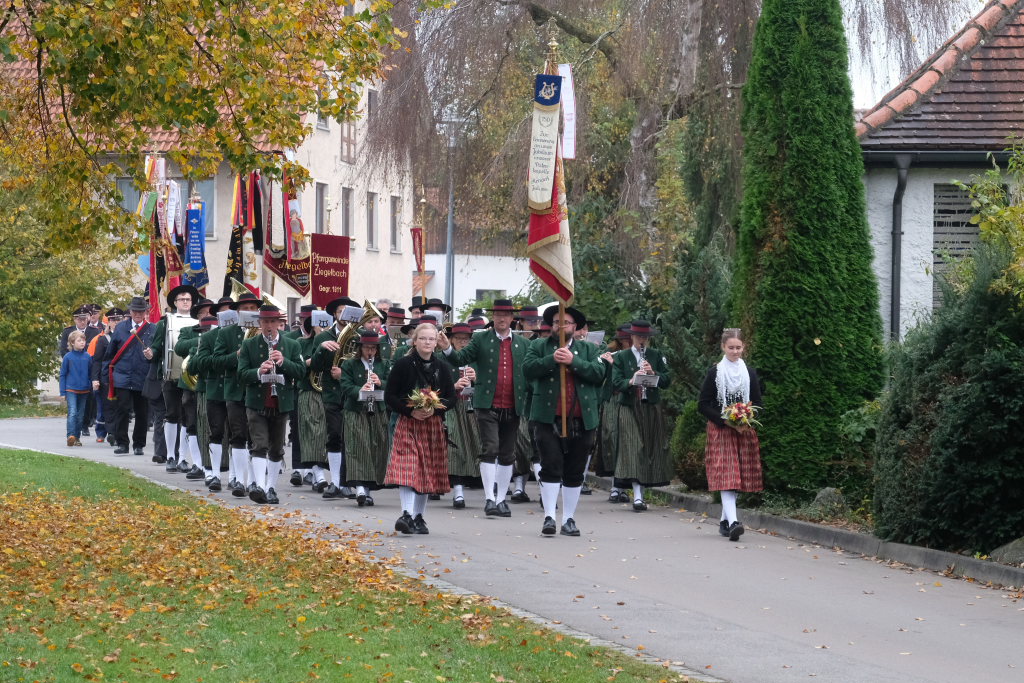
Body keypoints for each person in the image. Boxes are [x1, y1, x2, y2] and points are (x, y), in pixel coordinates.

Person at [437, 299, 531, 518]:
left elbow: (529, 372)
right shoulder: (481, 339)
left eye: (505, 315)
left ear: (512, 319)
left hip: (513, 404)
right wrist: (447, 348)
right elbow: (460, 358)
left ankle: (501, 500)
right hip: (487, 404)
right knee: (490, 448)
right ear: (493, 317)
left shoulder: (523, 344)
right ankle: (489, 498)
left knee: (508, 454)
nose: (501, 318)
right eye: (497, 314)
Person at [523, 306, 605, 537]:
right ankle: (549, 516)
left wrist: (573, 361)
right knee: (550, 465)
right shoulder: (538, 346)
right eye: (557, 322)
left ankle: (568, 518)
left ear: (575, 327)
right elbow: (527, 370)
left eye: (566, 322)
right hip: (547, 418)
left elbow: (599, 373)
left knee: (575, 470)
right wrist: (552, 359)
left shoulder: (589, 349)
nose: (561, 326)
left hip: (582, 418)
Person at [383, 323, 456, 534]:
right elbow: (390, 396)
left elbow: (451, 398)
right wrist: (410, 411)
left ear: (436, 343)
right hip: (408, 422)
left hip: (432, 425)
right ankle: (406, 514)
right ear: (414, 341)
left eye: (431, 339)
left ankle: (418, 517)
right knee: (408, 465)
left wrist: (435, 409)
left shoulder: (442, 367)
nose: (427, 342)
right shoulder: (403, 364)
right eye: (422, 338)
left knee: (426, 469)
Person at [697, 328, 764, 542]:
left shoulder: (749, 373)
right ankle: (734, 522)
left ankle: (725, 522)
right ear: (723, 347)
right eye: (731, 347)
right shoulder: (715, 373)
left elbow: (757, 403)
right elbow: (703, 404)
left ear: (744, 347)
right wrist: (726, 421)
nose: (735, 351)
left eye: (738, 347)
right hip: (721, 430)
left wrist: (746, 420)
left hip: (743, 430)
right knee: (728, 475)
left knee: (737, 477)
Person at [237, 305, 305, 504]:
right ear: (259, 323)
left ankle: (271, 488)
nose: (269, 326)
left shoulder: (292, 345)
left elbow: (301, 371)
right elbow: (241, 374)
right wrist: (259, 371)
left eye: (272, 322)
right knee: (259, 445)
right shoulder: (249, 344)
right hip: (256, 402)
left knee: (276, 449)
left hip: (280, 403)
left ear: (279, 323)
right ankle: (259, 486)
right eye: (265, 321)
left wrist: (284, 362)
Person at [610, 321, 673, 511]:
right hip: (629, 406)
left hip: (650, 406)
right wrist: (631, 380)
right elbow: (616, 382)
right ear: (632, 337)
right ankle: (637, 495)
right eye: (639, 337)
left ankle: (641, 494)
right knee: (634, 447)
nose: (642, 340)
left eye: (645, 337)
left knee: (648, 448)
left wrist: (653, 373)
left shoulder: (655, 355)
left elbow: (667, 380)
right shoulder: (621, 356)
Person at [212, 291, 262, 496]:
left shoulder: (264, 331)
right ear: (238, 312)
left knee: (256, 438)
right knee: (238, 435)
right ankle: (239, 480)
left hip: (258, 390)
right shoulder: (226, 333)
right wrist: (237, 355)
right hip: (235, 390)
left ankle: (253, 481)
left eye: (253, 308)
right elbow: (217, 362)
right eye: (245, 309)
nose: (249, 312)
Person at [311, 296, 361, 499]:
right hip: (332, 393)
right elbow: (315, 367)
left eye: (348, 312)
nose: (344, 315)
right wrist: (322, 349)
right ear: (334, 314)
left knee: (350, 438)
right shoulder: (323, 337)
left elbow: (364, 366)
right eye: (340, 311)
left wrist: (344, 374)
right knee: (334, 436)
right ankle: (336, 482)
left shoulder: (359, 336)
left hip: (352, 395)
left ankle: (348, 482)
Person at [148, 284, 201, 472]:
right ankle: (170, 455)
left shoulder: (198, 321)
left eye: (188, 299)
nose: (185, 302)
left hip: (191, 377)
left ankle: (182, 458)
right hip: (171, 375)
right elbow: (157, 347)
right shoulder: (165, 322)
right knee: (171, 415)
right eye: (181, 299)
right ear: (175, 302)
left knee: (188, 417)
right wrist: (151, 353)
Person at [340, 329, 392, 505]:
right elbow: (345, 386)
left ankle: (368, 490)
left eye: (373, 348)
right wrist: (360, 389)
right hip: (356, 411)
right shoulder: (349, 364)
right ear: (360, 348)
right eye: (367, 348)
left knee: (375, 447)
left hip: (377, 410)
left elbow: (392, 385)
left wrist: (380, 382)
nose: (370, 351)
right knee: (357, 447)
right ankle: (360, 488)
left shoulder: (384, 365)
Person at [102, 296, 155, 455]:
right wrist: (105, 376)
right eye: (135, 311)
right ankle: (122, 443)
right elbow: (110, 353)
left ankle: (139, 445)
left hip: (142, 376)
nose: (138, 314)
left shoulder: (152, 329)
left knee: (142, 412)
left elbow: (157, 352)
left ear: (145, 312)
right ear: (130, 311)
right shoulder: (120, 328)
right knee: (122, 410)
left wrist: (152, 354)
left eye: (141, 311)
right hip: (122, 376)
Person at [443, 322, 481, 509]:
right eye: (458, 339)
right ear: (451, 340)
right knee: (455, 446)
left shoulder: (476, 359)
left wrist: (477, 379)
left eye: (466, 339)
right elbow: (433, 386)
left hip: (473, 407)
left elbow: (489, 383)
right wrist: (454, 386)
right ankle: (457, 491)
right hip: (452, 407)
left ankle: (485, 487)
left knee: (475, 446)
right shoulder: (442, 359)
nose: (463, 342)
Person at [88, 307, 125, 446]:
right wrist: (95, 379)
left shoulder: (127, 337)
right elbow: (97, 361)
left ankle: (119, 433)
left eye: (118, 319)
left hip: (123, 376)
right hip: (107, 377)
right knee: (108, 406)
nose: (116, 322)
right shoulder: (103, 339)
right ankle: (111, 433)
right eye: (113, 320)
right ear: (108, 322)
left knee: (121, 406)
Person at [60, 330, 92, 446]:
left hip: (84, 390)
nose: (82, 342)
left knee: (80, 415)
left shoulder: (88, 357)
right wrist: (62, 392)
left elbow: (90, 373)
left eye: (83, 340)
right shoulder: (68, 357)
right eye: (79, 340)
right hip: (71, 389)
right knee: (72, 412)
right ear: (72, 343)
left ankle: (77, 438)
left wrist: (89, 384)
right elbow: (63, 374)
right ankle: (70, 436)